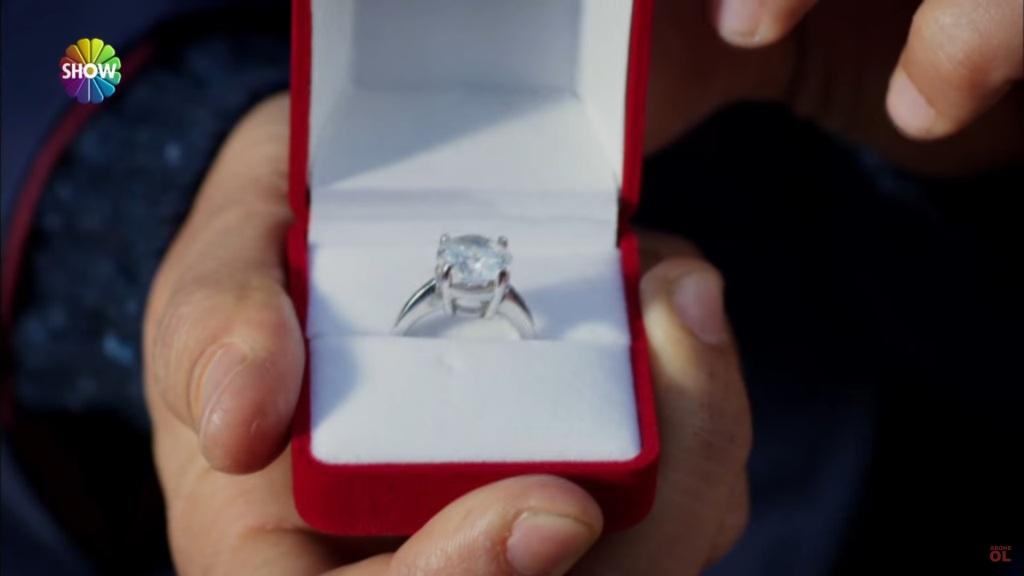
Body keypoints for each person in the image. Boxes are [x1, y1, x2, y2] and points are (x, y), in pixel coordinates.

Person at [142, 1, 1021, 574]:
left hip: (865, 458)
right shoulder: (439, 275)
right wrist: (162, 141)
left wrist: (852, 73)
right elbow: (77, 55)